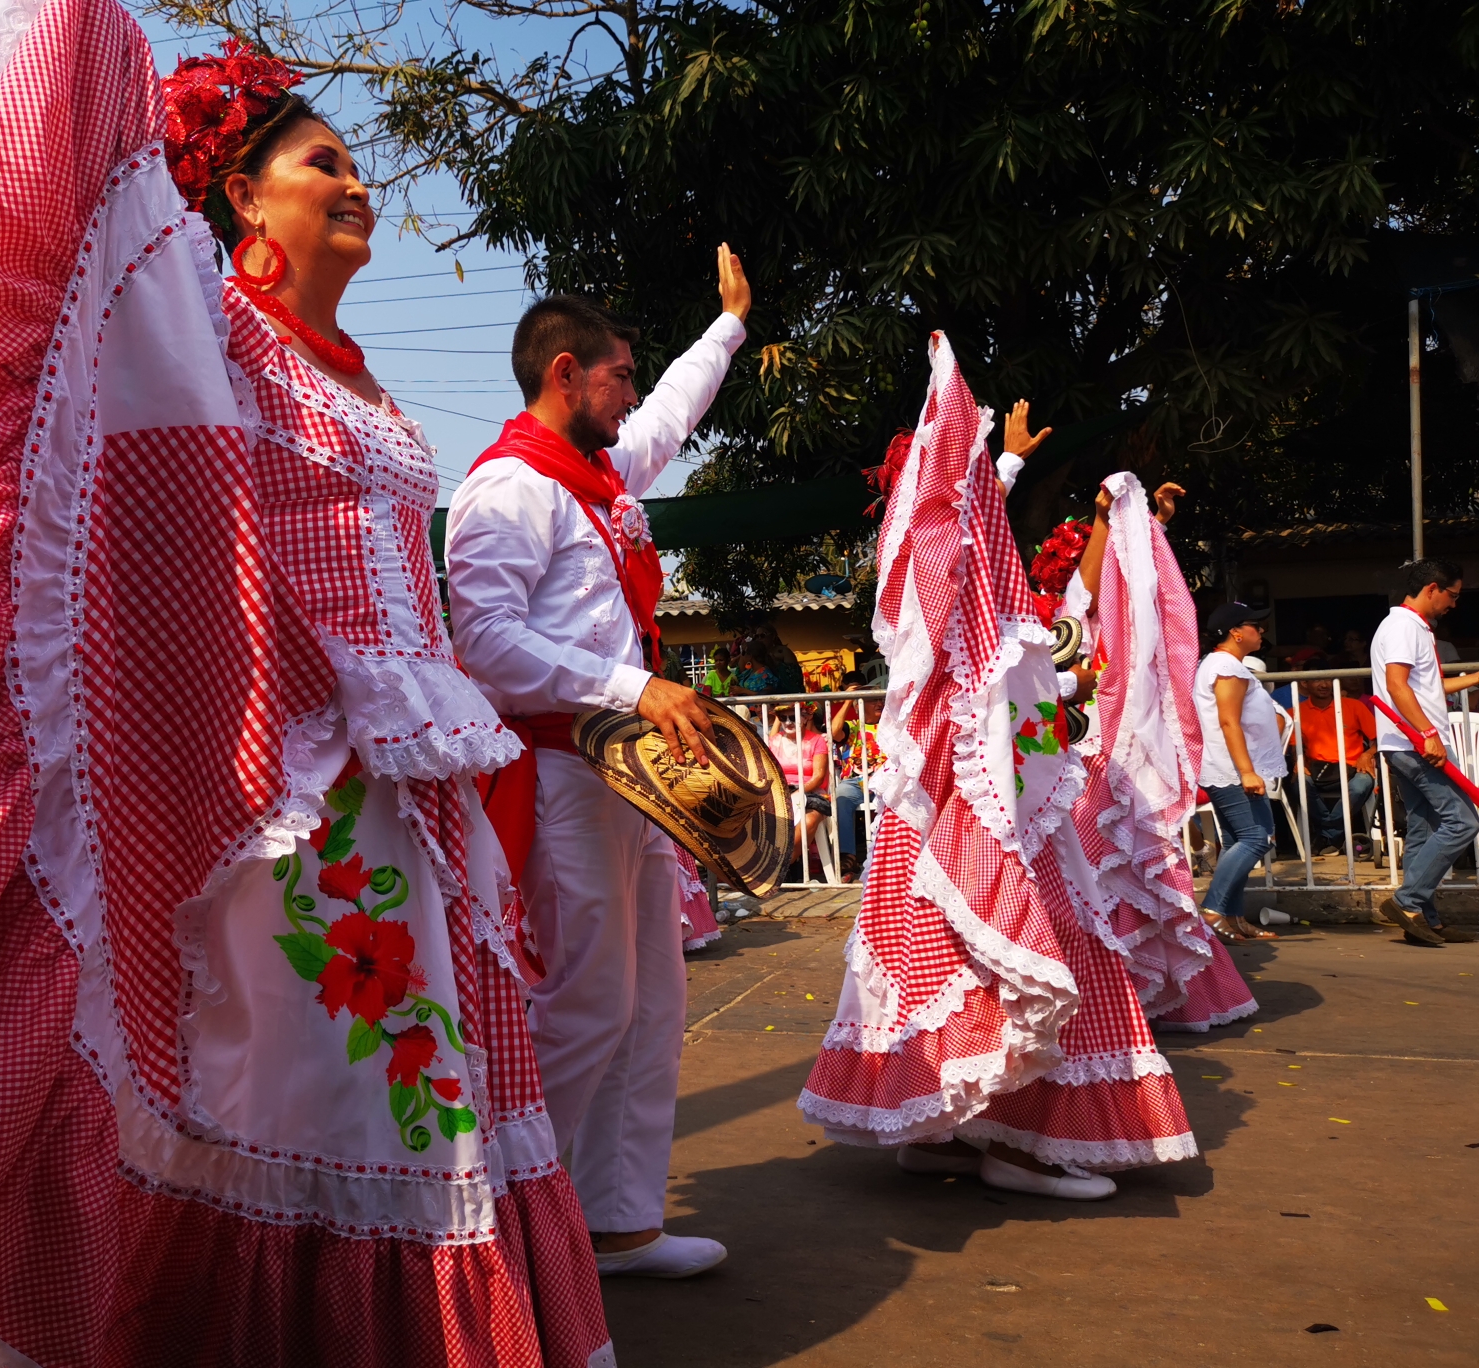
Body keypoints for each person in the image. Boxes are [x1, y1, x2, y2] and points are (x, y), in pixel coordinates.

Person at [0, 12, 612, 1363]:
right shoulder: (202, 337)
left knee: (430, 1102)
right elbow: (82, 327)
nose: (359, 185)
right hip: (289, 820)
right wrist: (78, 36)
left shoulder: (373, 394)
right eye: (324, 161)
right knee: (330, 1110)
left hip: (416, 816)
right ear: (237, 194)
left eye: (360, 168)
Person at [801, 338, 1195, 1202]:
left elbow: (963, 536)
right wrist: (997, 463)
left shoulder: (928, 591)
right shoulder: (961, 600)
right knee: (1044, 949)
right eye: (970, 472)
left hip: (949, 815)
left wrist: (1004, 459)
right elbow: (970, 551)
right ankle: (1019, 1144)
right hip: (996, 806)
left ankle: (945, 1128)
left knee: (948, 962)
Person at [446, 254, 751, 1278]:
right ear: (567, 375)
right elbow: (484, 643)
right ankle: (508, 1233)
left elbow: (669, 414)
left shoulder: (601, 479)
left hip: (632, 779)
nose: (632, 392)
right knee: (584, 1006)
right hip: (564, 772)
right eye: (621, 374)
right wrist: (637, 692)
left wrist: (730, 328)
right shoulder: (507, 488)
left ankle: (618, 1226)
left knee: (652, 1006)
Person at [1054, 473, 1256, 1033]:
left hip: (1109, 751)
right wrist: (1108, 523)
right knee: (1094, 872)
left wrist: (1141, 525)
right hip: (1078, 755)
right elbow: (1087, 592)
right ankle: (1104, 999)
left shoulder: (1108, 632)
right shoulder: (1059, 625)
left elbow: (1116, 594)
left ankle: (1139, 995)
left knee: (1127, 864)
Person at [1370, 560, 1479, 945]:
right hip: (1414, 744)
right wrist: (1429, 733)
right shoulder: (1403, 626)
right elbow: (1397, 686)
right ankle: (1407, 900)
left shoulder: (1410, 627)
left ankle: (1423, 918)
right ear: (1433, 588)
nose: (1453, 604)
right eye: (1453, 595)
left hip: (1411, 743)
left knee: (1424, 829)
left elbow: (1428, 689)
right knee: (1463, 822)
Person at [1194, 604, 1288, 942]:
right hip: (1230, 769)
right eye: (1256, 625)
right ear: (1236, 631)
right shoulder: (1225, 666)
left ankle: (1232, 918)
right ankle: (1213, 909)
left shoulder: (1225, 665)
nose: (1262, 631)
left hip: (1229, 766)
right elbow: (1228, 720)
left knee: (1237, 840)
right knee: (1257, 838)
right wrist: (1247, 771)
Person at [1294, 676, 1378, 857]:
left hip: (1353, 767)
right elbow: (1293, 747)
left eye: (1328, 680)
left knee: (1361, 785)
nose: (1324, 684)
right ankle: (1334, 834)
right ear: (1305, 683)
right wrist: (1297, 762)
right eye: (1317, 680)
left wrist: (1367, 754)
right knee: (1299, 783)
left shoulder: (1353, 705)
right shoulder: (1296, 711)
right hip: (1317, 769)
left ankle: (1326, 835)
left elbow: (1379, 739)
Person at [768, 705, 832, 879]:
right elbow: (768, 773)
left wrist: (798, 792)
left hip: (811, 793)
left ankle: (778, 869)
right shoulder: (774, 741)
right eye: (783, 718)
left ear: (805, 718)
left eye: (793, 717)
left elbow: (818, 777)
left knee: (808, 821)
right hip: (779, 793)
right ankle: (781, 870)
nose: (788, 722)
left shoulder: (817, 740)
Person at [829, 675, 883, 880]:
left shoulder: (891, 724)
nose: (879, 703)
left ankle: (884, 858)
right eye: (872, 699)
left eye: (880, 699)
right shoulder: (851, 725)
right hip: (854, 781)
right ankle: (847, 860)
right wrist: (847, 701)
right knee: (841, 795)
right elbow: (834, 732)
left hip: (885, 779)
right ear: (860, 705)